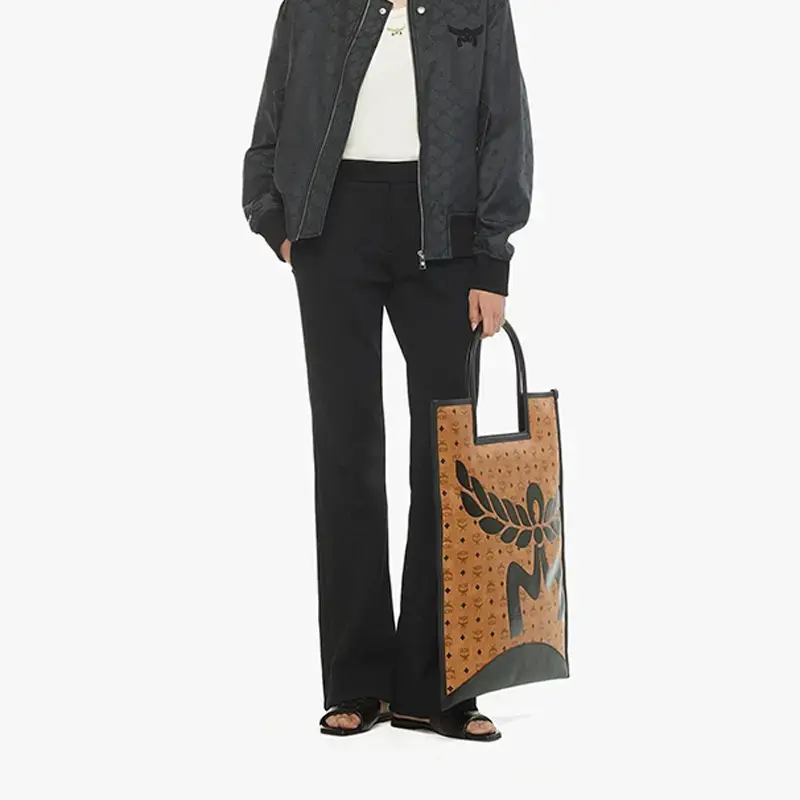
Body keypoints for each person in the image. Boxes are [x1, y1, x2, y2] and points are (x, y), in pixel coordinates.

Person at [242, 0, 532, 742]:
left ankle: (440, 687)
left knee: (445, 457)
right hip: (332, 231)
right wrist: (274, 219)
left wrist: (492, 259)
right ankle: (358, 681)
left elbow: (505, 120)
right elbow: (275, 104)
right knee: (346, 452)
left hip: (445, 240)